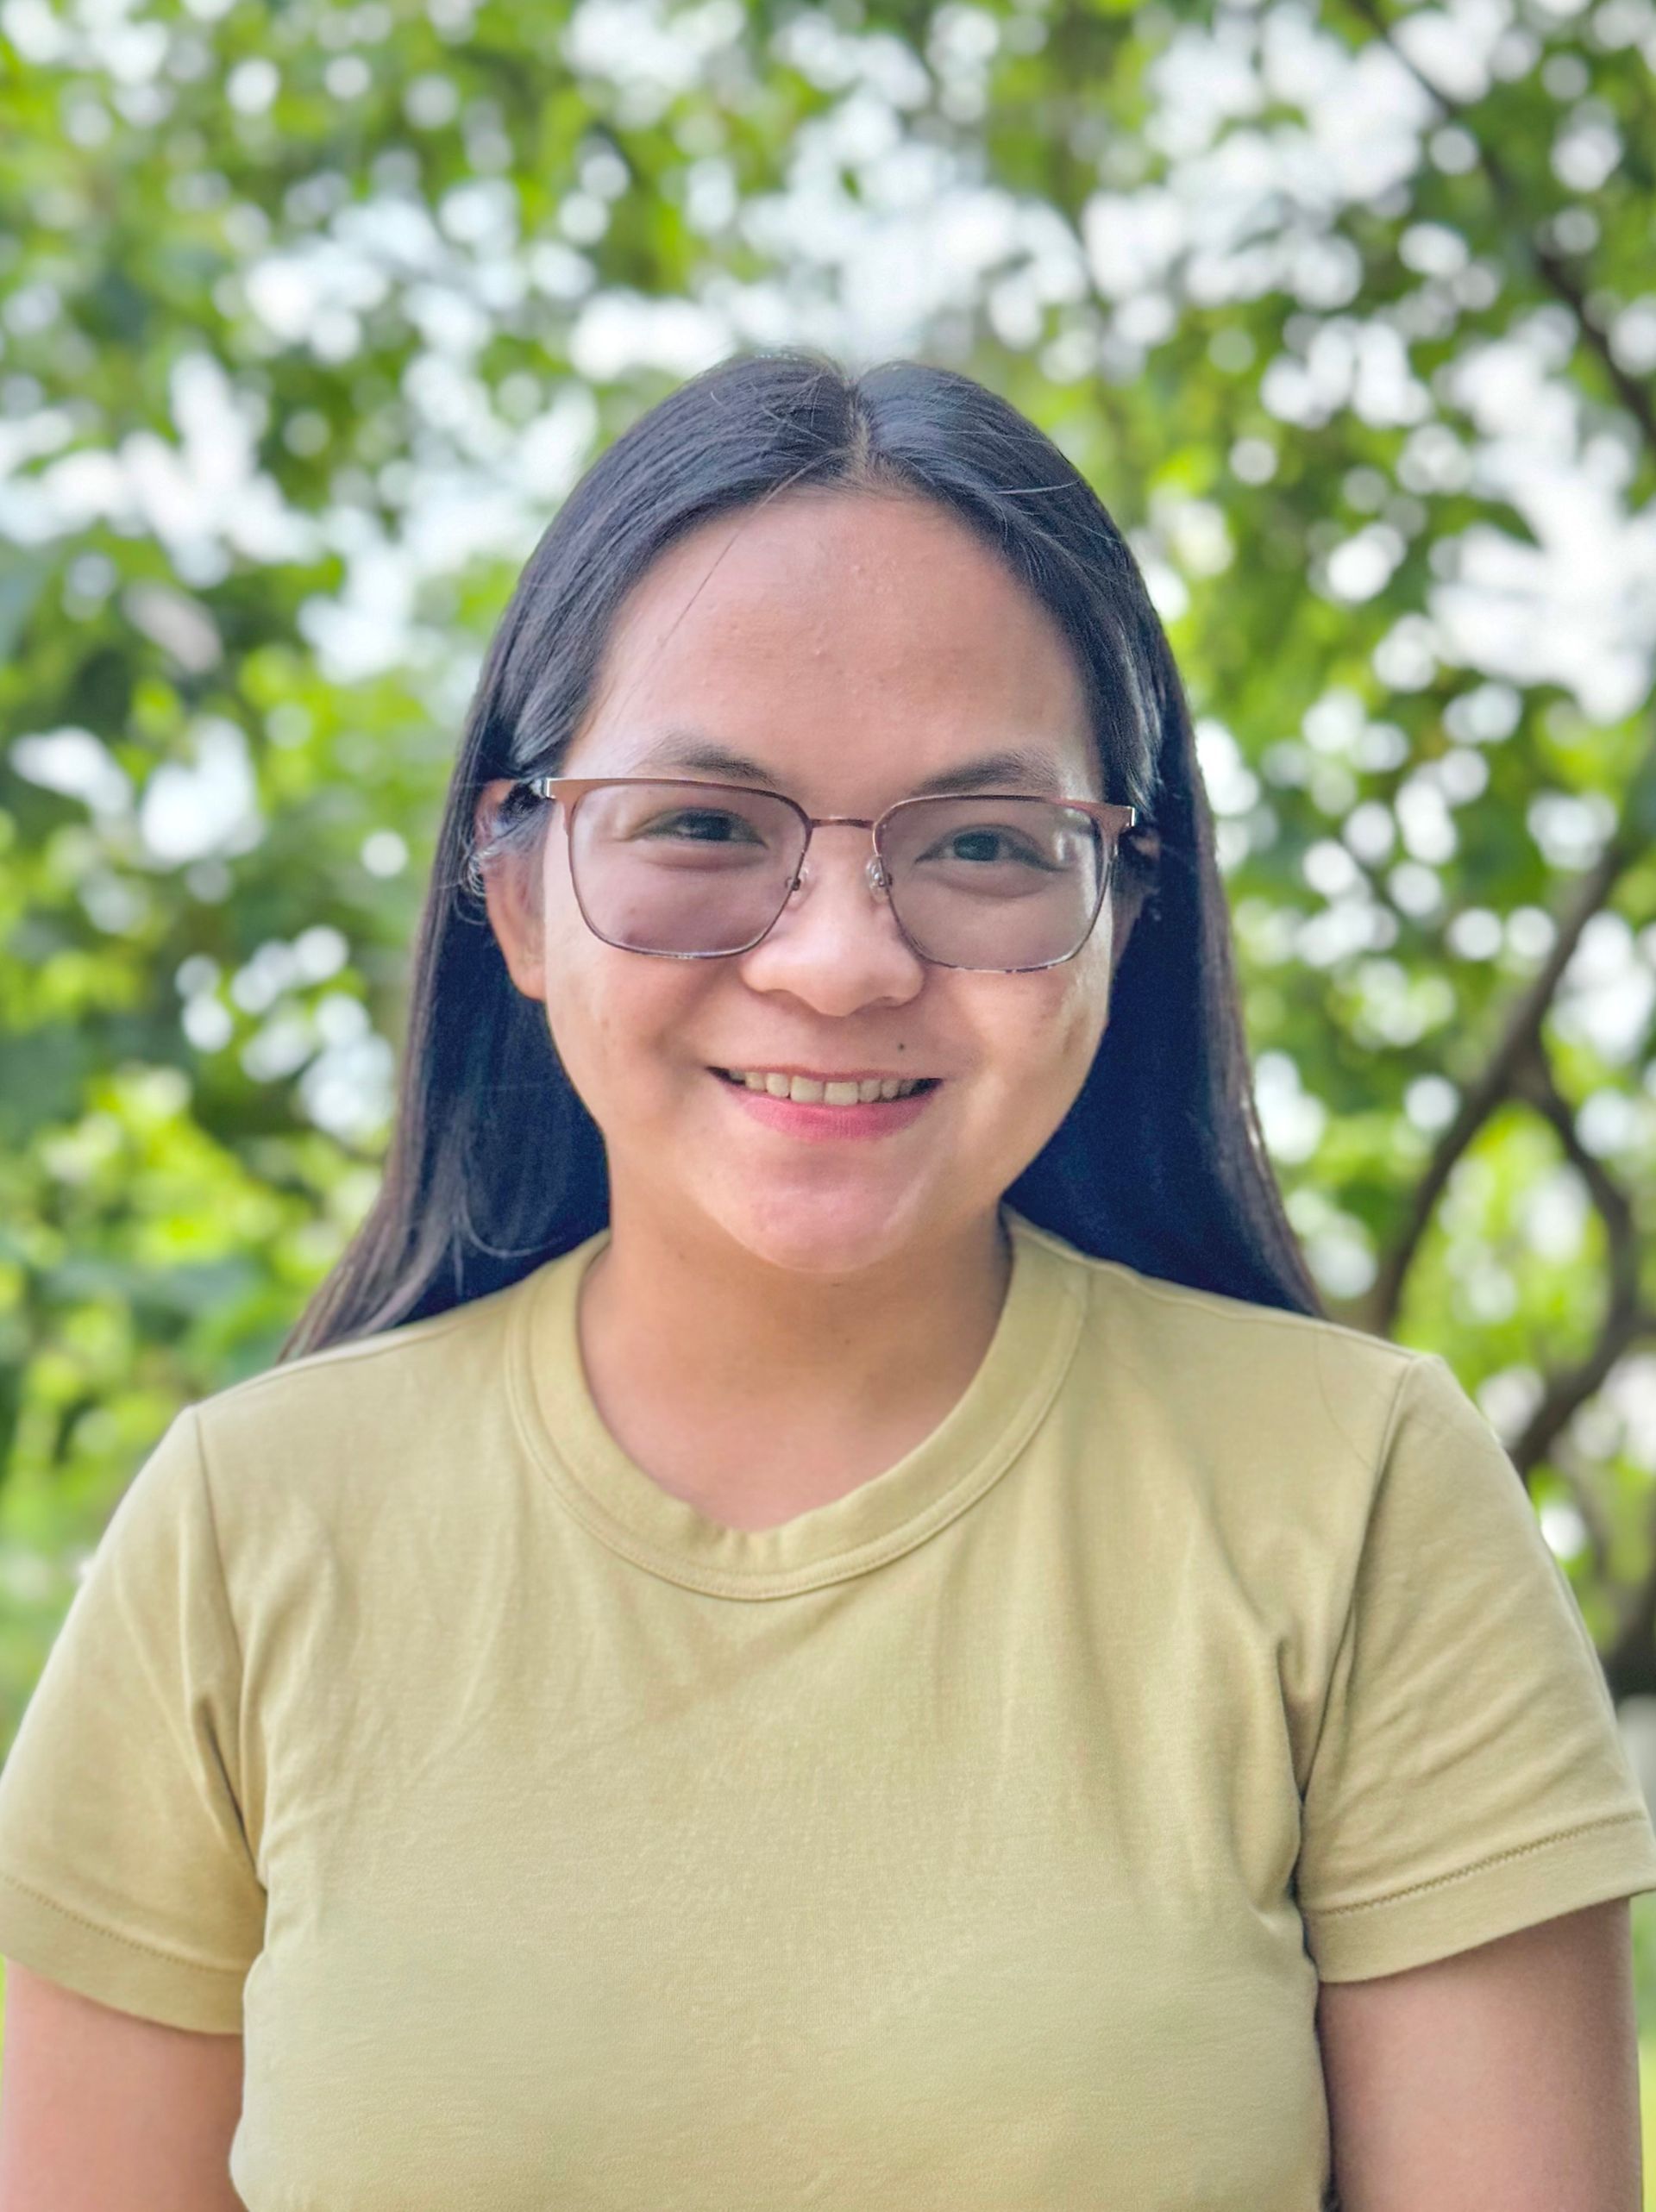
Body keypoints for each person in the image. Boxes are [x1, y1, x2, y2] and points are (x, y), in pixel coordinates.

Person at [0, 351, 1650, 2212]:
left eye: (983, 845)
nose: (845, 955)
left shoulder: (1358, 1495)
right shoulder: (243, 1528)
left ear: (1126, 908)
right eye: (705, 823)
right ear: (518, 890)